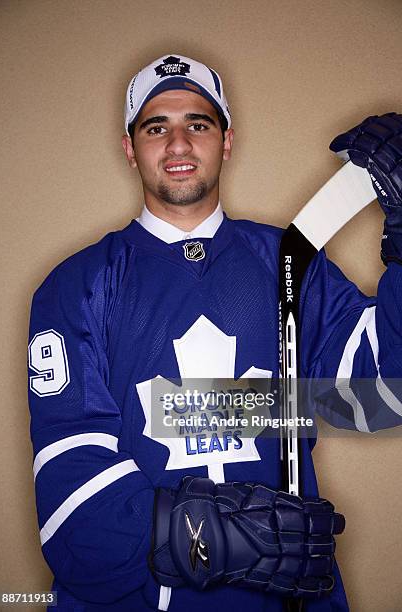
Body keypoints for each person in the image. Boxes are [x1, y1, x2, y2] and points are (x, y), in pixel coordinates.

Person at [27, 54, 402, 611]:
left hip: (291, 598)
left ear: (226, 142)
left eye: (197, 124)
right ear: (130, 148)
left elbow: (383, 396)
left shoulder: (291, 262)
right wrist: (213, 537)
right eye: (157, 127)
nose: (178, 144)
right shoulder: (76, 286)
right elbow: (72, 514)